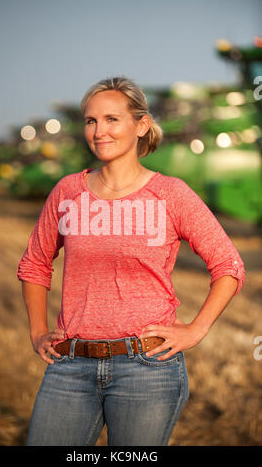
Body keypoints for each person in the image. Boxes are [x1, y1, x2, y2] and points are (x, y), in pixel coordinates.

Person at [16, 76, 246, 446]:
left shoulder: (171, 194)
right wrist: (36, 331)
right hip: (70, 365)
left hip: (147, 370)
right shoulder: (68, 191)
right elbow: (34, 264)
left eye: (111, 119)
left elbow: (228, 265)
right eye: (91, 121)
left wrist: (197, 329)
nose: (98, 131)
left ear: (141, 126)